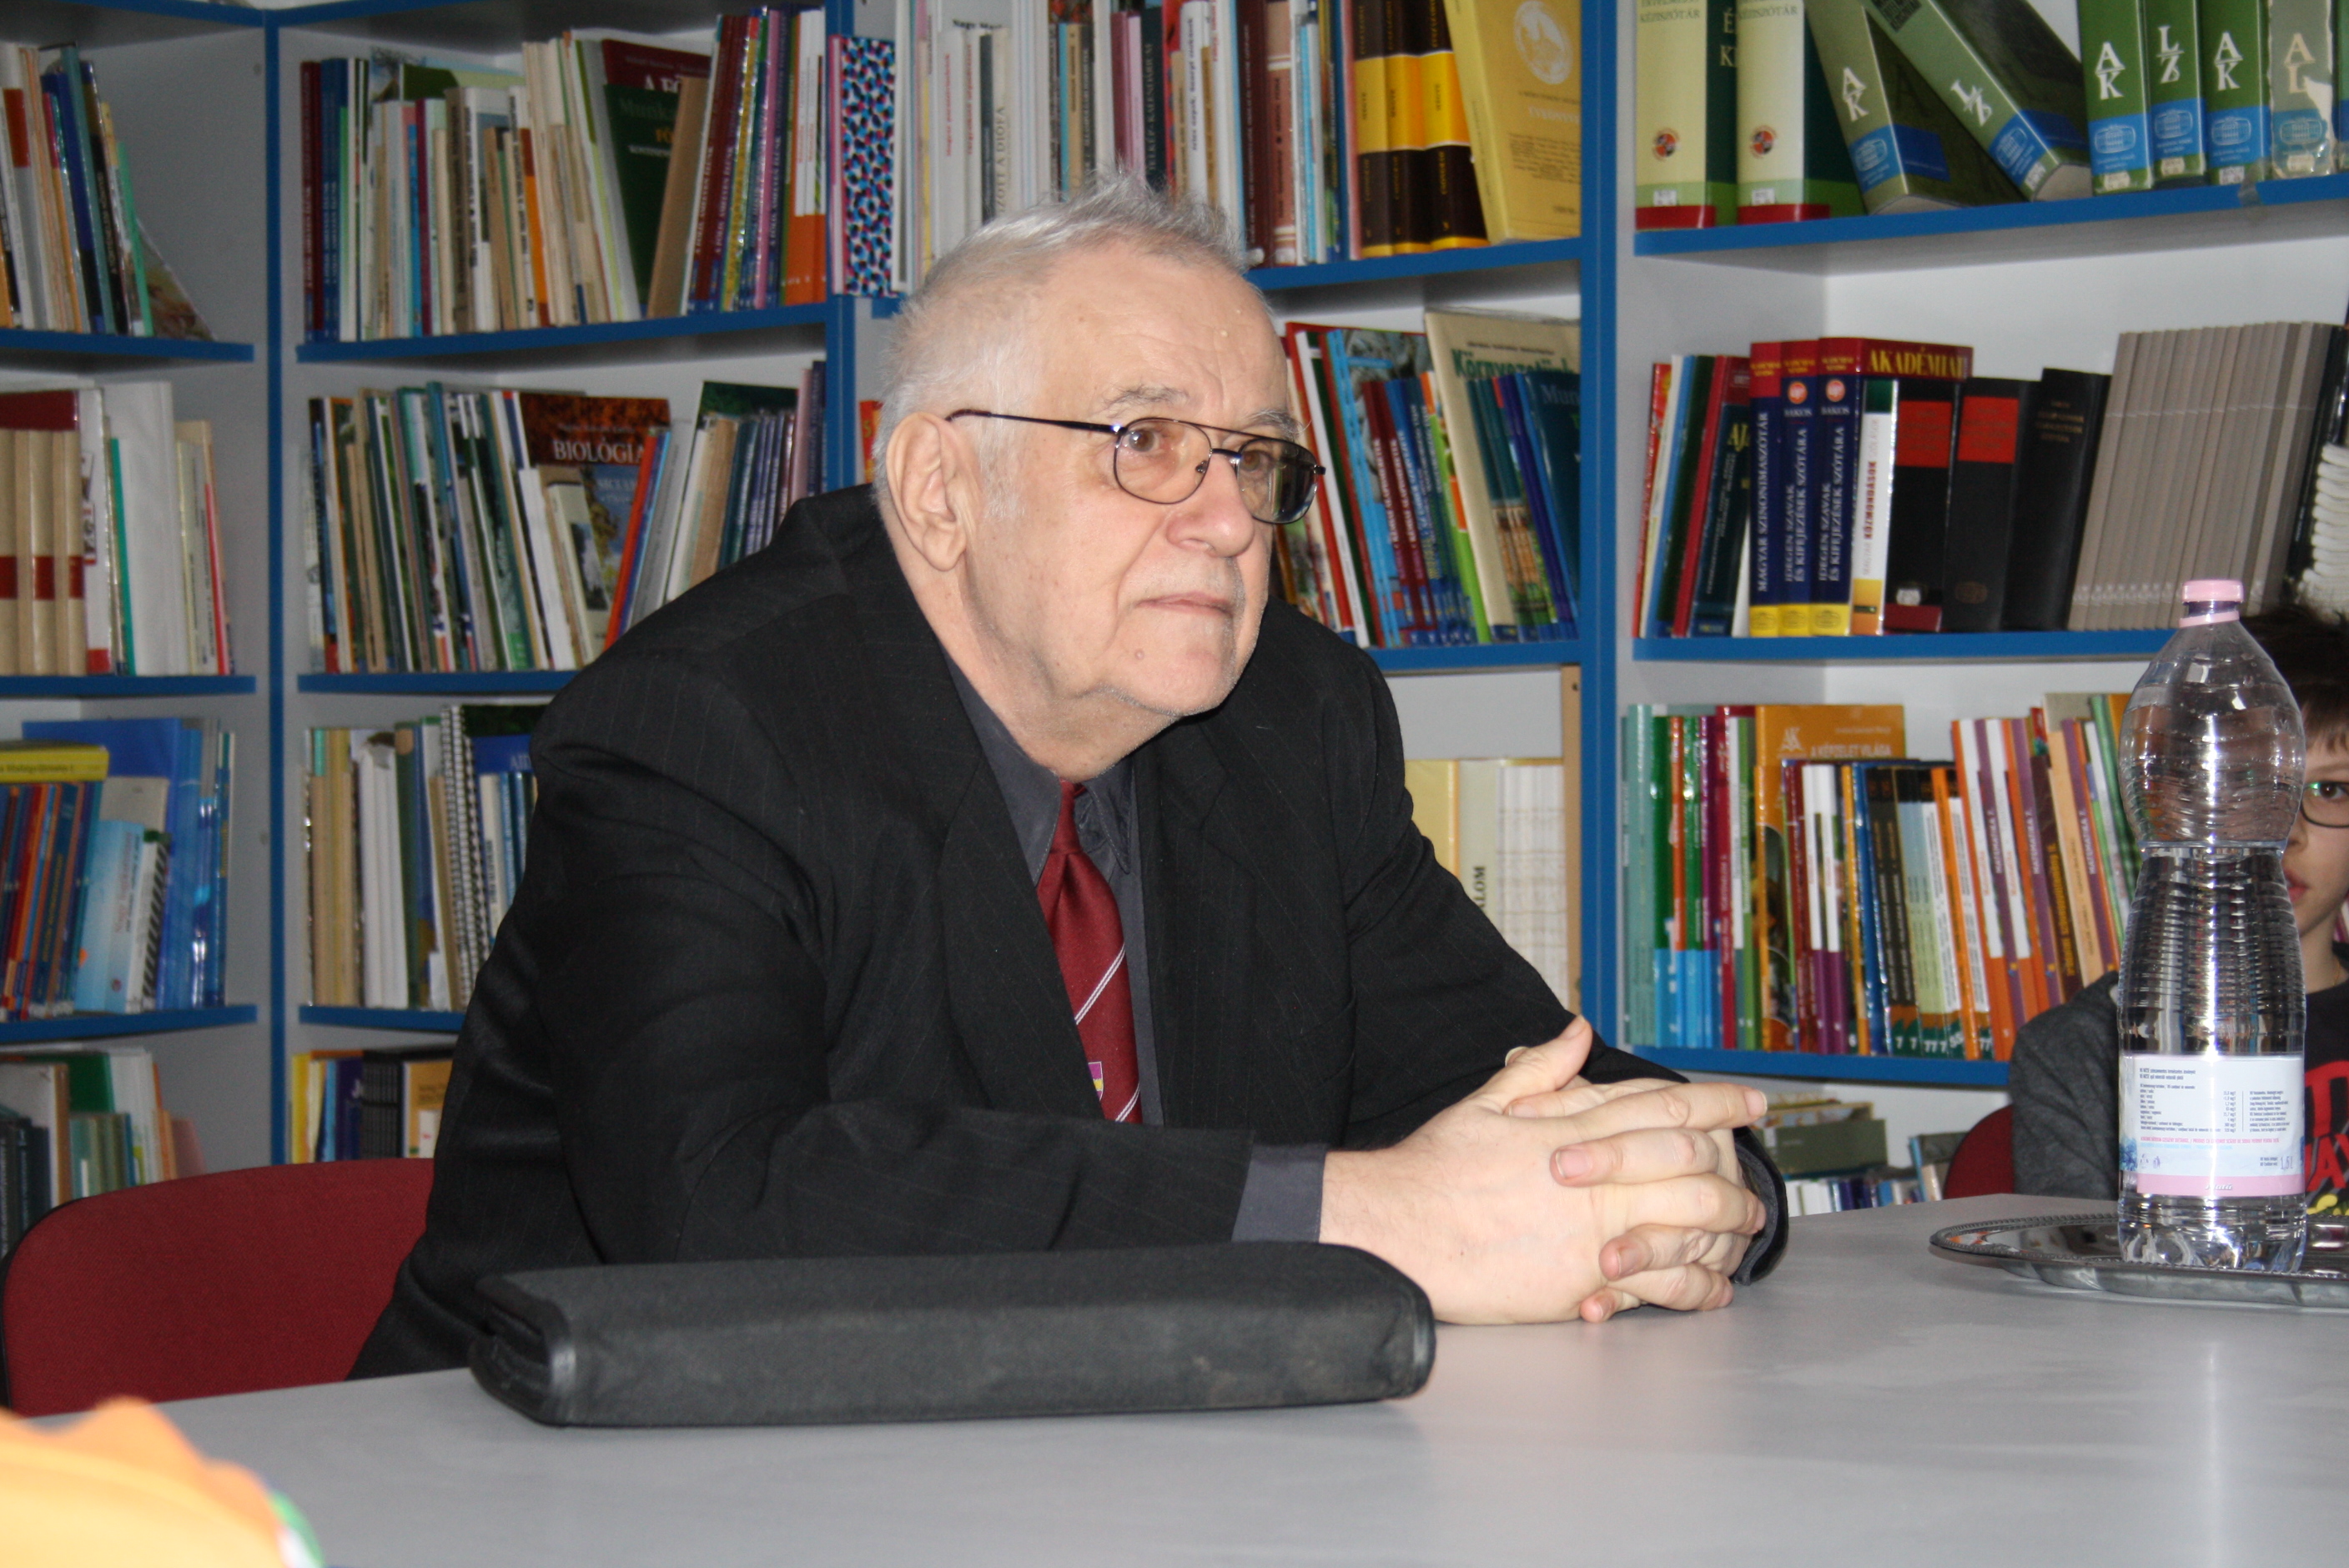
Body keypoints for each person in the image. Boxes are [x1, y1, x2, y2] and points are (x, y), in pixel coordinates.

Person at [352, 183, 1783, 1378]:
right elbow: (720, 1205)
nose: (1228, 522)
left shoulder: (1293, 717)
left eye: (1256, 458)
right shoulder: (703, 726)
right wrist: (1370, 1219)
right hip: (575, 1484)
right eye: (1146, 444)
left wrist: (1697, 1187)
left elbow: (1521, 1080)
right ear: (940, 489)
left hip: (1117, 1474)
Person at [2010, 603, 2349, 1204]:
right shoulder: (2082, 1048)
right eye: (2243, 780)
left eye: (2330, 789)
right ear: (2168, 799)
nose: (2283, 831)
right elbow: (2089, 1257)